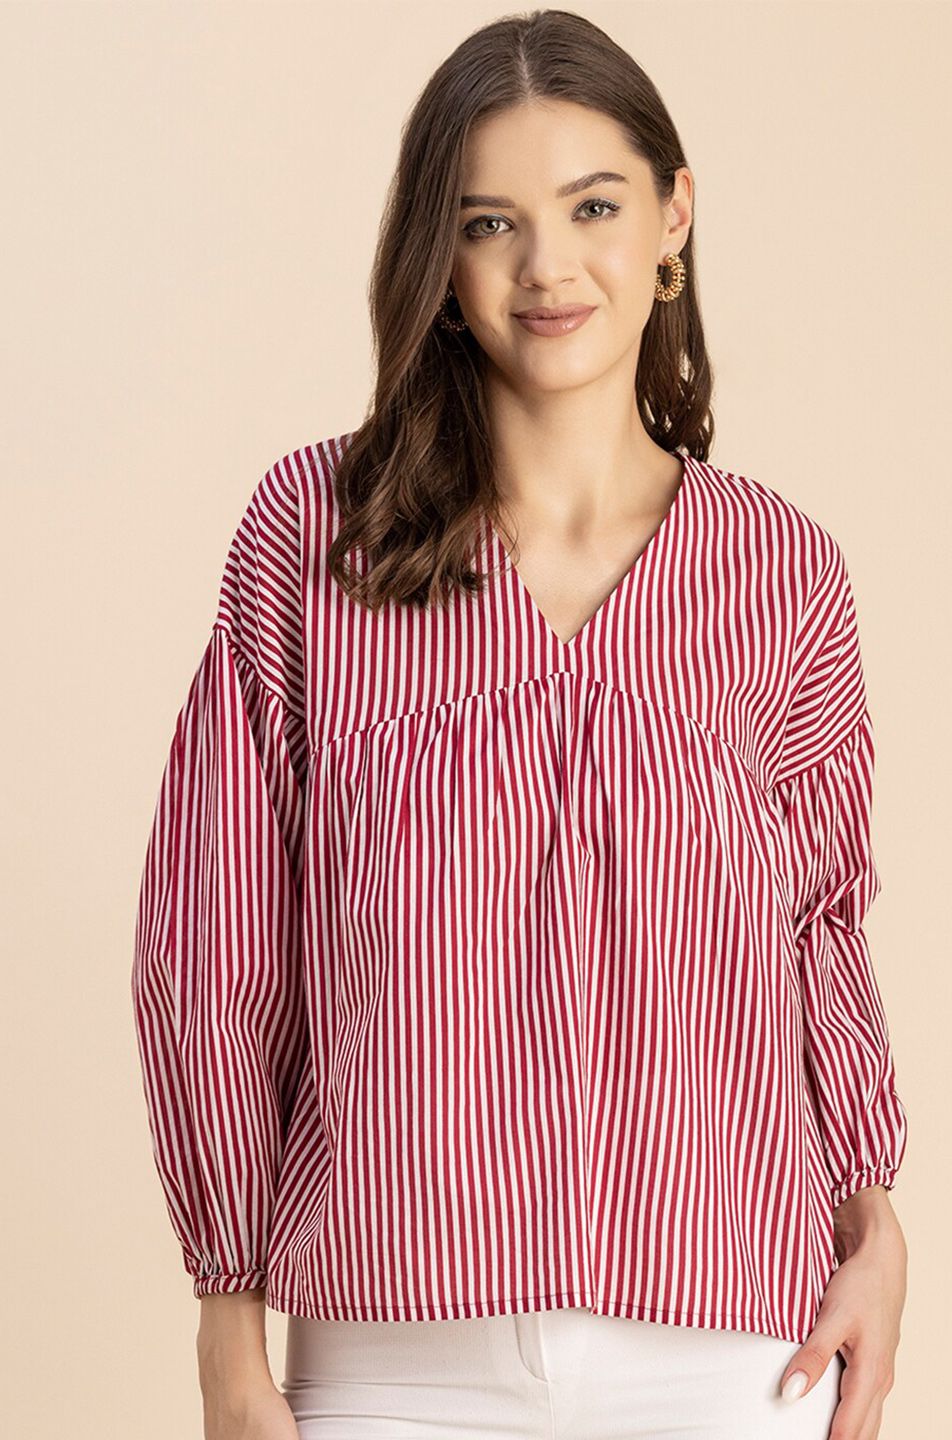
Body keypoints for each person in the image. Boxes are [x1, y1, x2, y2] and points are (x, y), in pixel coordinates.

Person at [130, 10, 909, 1439]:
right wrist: (226, 1327)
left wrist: (875, 1218)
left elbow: (821, 930)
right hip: (392, 1361)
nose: (547, 266)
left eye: (593, 206)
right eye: (489, 223)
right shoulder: (315, 537)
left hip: (731, 1357)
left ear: (674, 217)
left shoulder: (783, 571)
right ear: (437, 262)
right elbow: (214, 939)